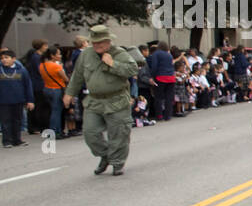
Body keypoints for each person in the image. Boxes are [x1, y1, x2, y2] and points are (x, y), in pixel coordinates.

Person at [63, 26, 139, 176]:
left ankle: (117, 163)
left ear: (108, 41)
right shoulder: (86, 55)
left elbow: (133, 70)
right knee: (90, 133)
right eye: (94, 42)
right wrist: (69, 93)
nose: (97, 45)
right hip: (94, 100)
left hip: (116, 99)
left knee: (118, 134)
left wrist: (113, 64)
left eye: (101, 42)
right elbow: (77, 75)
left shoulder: (119, 54)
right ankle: (105, 156)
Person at [0, 48, 34, 147]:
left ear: (13, 59)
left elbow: (28, 85)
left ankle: (17, 139)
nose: (4, 60)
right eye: (2, 58)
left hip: (18, 99)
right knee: (5, 121)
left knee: (17, 120)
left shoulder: (21, 70)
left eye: (6, 57)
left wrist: (30, 100)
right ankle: (7, 141)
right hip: (3, 100)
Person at [39, 47, 69, 138]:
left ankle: (56, 131)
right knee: (56, 112)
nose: (60, 56)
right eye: (58, 54)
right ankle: (55, 131)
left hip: (47, 88)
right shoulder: (56, 66)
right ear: (52, 56)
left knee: (52, 110)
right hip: (56, 89)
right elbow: (65, 79)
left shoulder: (42, 65)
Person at [146, 43, 177, 121]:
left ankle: (159, 116)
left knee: (158, 97)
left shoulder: (156, 54)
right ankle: (168, 116)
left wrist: (152, 76)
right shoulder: (169, 55)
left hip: (160, 77)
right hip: (171, 78)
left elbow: (154, 66)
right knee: (169, 98)